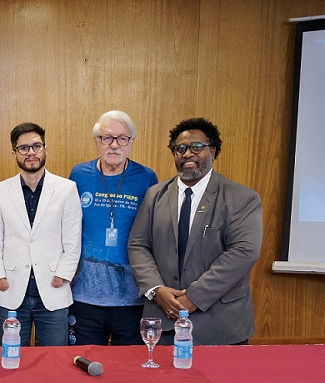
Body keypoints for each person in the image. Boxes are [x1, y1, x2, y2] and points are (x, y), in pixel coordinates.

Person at [128, 117, 262, 345]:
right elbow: (138, 245)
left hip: (220, 325)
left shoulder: (241, 198)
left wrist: (195, 297)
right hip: (163, 319)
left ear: (213, 151)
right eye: (180, 148)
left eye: (196, 147)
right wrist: (157, 290)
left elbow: (243, 252)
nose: (187, 153)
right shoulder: (154, 195)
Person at [0, 122, 82, 346]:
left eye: (36, 146)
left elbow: (73, 240)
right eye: (24, 148)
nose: (31, 152)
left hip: (53, 290)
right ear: (14, 153)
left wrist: (63, 276)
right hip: (11, 290)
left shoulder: (66, 189)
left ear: (46, 149)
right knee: (12, 359)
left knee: (54, 362)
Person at [69, 110, 158, 345]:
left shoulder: (147, 177)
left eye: (122, 138)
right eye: (107, 138)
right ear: (97, 142)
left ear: (131, 142)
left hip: (132, 298)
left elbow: (153, 232)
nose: (114, 145)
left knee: (129, 369)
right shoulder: (79, 175)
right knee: (85, 364)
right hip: (84, 296)